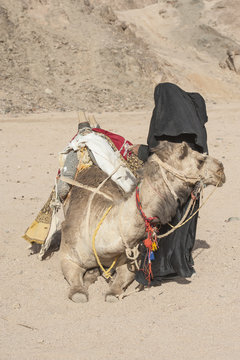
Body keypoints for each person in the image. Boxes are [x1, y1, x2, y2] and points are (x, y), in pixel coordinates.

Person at [134, 82, 209, 286]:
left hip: (172, 187)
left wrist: (140, 151)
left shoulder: (170, 126)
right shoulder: (194, 127)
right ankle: (182, 263)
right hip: (191, 186)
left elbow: (159, 153)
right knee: (185, 226)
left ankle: (160, 270)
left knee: (168, 224)